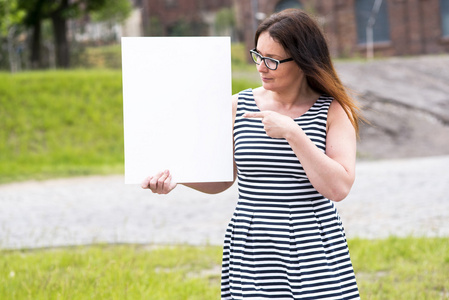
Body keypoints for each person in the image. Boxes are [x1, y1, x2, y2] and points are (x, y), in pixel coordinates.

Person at [142, 8, 361, 300]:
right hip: (253, 244)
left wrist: (294, 134)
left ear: (303, 60)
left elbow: (339, 187)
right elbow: (223, 179)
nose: (261, 67)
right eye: (257, 56)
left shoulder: (334, 110)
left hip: (313, 246)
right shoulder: (238, 105)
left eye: (271, 60)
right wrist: (178, 178)